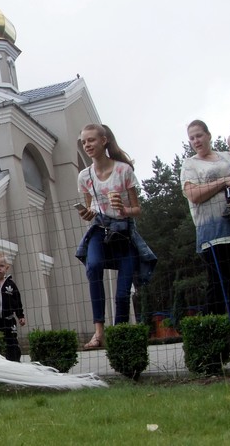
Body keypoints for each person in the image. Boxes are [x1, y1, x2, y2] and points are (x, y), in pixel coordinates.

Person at [75, 124, 156, 350]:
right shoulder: (84, 176)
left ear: (104, 140)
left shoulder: (123, 170)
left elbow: (137, 209)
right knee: (93, 266)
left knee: (122, 292)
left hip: (123, 231)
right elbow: (89, 211)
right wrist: (86, 213)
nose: (87, 145)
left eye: (91, 140)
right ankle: (99, 332)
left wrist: (123, 210)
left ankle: (119, 335)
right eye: (84, 142)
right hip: (100, 229)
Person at [182, 120, 230, 357]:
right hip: (213, 234)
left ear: (209, 135)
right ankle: (213, 344)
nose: (196, 141)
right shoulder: (190, 164)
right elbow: (193, 195)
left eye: (199, 135)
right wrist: (224, 181)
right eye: (192, 138)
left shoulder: (227, 156)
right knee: (218, 286)